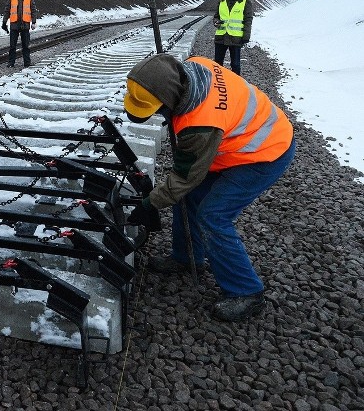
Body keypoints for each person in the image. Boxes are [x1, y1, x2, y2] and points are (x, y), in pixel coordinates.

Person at [123, 53, 295, 322]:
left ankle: (247, 291)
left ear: (169, 101)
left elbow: (185, 176)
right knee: (191, 197)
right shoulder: (196, 65)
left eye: (157, 110)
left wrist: (149, 204)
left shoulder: (199, 125)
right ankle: (184, 257)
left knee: (213, 215)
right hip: (238, 137)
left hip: (264, 151)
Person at [212, 0, 253, 75]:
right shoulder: (222, 1)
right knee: (217, 64)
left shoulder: (245, 2)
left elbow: (248, 20)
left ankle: (236, 86)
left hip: (236, 38)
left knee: (235, 65)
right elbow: (216, 16)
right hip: (221, 37)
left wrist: (246, 36)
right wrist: (216, 22)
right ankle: (219, 85)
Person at [1, 0, 37, 68]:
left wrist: (34, 21)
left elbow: (33, 11)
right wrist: (4, 22)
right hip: (14, 25)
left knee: (26, 46)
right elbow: (7, 11)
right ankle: (11, 63)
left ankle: (27, 63)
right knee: (12, 46)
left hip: (25, 25)